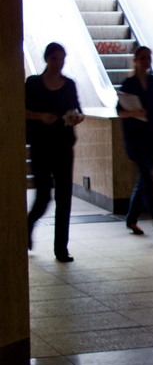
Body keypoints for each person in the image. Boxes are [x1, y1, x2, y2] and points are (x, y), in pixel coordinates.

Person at [26, 42, 84, 262]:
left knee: (64, 197)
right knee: (43, 196)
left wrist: (76, 117)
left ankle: (61, 248)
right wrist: (40, 116)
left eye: (62, 59)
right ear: (47, 59)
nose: (59, 63)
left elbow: (77, 109)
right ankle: (28, 224)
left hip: (63, 145)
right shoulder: (33, 83)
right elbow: (21, 109)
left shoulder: (69, 85)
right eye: (55, 58)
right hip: (40, 145)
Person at [117, 46, 153, 239]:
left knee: (144, 179)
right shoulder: (129, 84)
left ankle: (131, 218)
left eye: (148, 58)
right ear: (135, 60)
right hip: (136, 138)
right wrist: (134, 112)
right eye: (142, 58)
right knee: (148, 180)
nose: (145, 61)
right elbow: (120, 111)